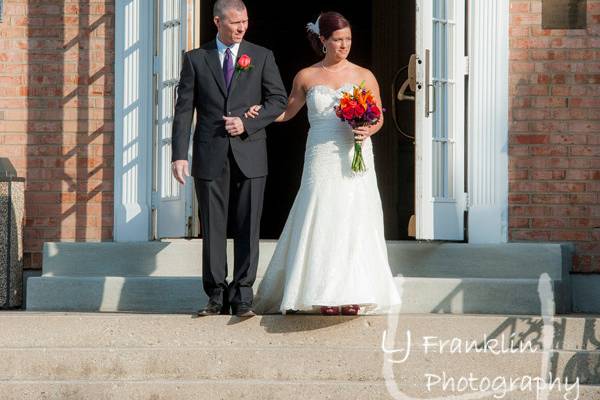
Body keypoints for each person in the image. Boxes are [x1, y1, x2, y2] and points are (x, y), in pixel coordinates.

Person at [247, 12, 402, 316]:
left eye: (348, 40)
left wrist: (368, 129)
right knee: (321, 214)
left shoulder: (363, 75)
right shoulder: (306, 76)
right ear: (323, 41)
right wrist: (260, 113)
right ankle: (323, 292)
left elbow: (379, 115)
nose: (344, 45)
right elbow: (286, 113)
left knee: (355, 216)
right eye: (337, 40)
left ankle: (353, 291)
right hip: (320, 154)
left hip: (353, 152)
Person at [171, 0, 287, 317]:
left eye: (245, 21)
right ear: (217, 21)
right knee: (213, 227)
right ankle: (215, 295)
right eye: (235, 22)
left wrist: (248, 122)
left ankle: (243, 295)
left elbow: (278, 100)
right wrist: (179, 155)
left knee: (248, 226)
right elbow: (184, 111)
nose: (241, 28)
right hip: (210, 153)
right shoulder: (196, 59)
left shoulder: (261, 56)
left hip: (250, 151)